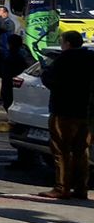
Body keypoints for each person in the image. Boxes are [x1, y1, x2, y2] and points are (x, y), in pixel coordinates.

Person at [40, 30, 94, 200]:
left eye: (62, 42)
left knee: (61, 150)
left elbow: (52, 81)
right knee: (81, 151)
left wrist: (44, 72)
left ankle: (62, 187)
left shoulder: (62, 60)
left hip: (64, 111)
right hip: (85, 112)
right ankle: (81, 188)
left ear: (68, 44)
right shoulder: (90, 59)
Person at [0, 5, 21, 106]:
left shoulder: (8, 23)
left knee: (6, 77)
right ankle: (2, 97)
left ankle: (4, 98)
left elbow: (3, 29)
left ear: (5, 13)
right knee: (3, 76)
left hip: (4, 51)